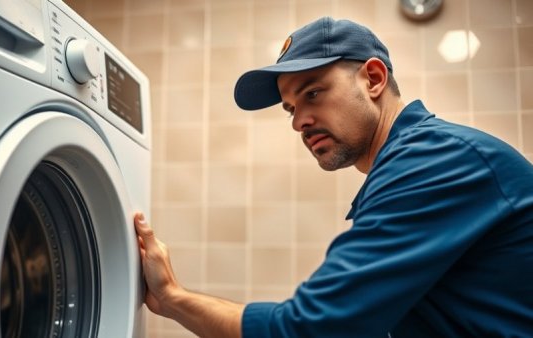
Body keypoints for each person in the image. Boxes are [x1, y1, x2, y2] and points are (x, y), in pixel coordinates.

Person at [133, 16, 533, 337]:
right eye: (290, 108)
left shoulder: (436, 160)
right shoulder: (410, 165)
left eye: (313, 93)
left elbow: (312, 329)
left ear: (374, 79)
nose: (299, 123)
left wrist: (171, 298)